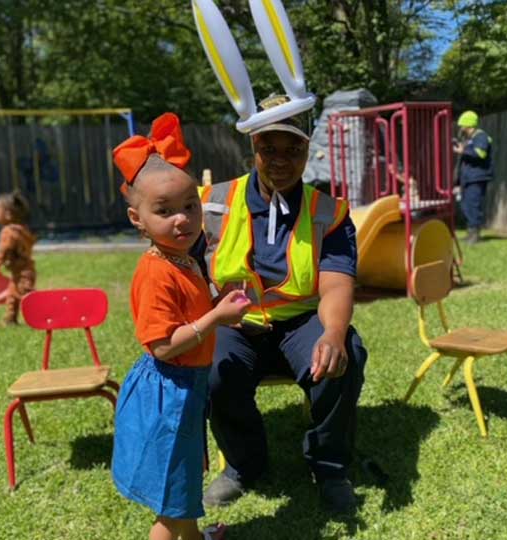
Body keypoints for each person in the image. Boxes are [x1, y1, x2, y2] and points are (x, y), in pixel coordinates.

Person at [197, 95, 368, 514]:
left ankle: (329, 467)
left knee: (344, 356)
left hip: (300, 324)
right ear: (252, 146)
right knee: (213, 367)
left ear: (308, 150)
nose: (280, 160)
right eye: (268, 148)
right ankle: (244, 465)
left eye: (293, 150)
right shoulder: (212, 202)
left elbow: (335, 284)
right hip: (235, 325)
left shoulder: (328, 212)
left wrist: (332, 334)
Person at [110, 113, 250, 540]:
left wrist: (217, 296)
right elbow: (165, 345)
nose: (182, 220)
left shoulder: (182, 257)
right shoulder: (156, 272)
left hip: (185, 388)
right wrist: (216, 318)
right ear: (138, 219)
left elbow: (187, 310)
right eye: (164, 211)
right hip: (167, 392)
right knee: (169, 508)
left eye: (190, 206)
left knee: (181, 489)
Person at [0, 190, 36, 325]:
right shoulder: (22, 229)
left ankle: (42, 314)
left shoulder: (8, 232)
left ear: (8, 215)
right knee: (12, 296)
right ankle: (10, 320)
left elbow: (5, 250)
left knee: (27, 296)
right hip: (25, 270)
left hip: (22, 272)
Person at [453, 110, 494, 244]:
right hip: (468, 178)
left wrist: (463, 150)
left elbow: (480, 153)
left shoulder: (481, 137)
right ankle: (470, 233)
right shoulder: (470, 139)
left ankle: (475, 235)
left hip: (477, 177)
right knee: (466, 206)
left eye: (462, 125)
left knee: (473, 205)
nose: (460, 128)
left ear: (468, 125)